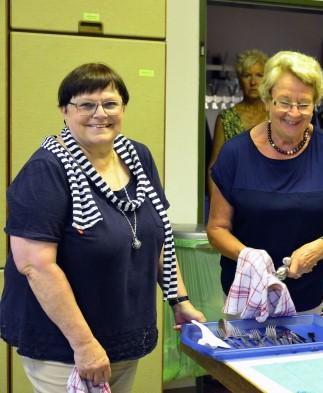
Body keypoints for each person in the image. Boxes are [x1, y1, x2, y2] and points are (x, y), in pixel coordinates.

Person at [0, 63, 206, 393]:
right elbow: (35, 266)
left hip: (122, 335)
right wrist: (84, 344)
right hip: (66, 346)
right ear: (64, 111)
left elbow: (158, 236)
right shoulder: (46, 170)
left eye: (110, 104)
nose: (100, 114)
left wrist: (179, 300)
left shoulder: (137, 156)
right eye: (86, 104)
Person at [207, 50, 323, 315]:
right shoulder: (235, 154)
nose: (294, 113)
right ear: (267, 101)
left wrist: (320, 248)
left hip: (309, 299)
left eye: (304, 104)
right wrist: (248, 256)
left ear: (316, 104)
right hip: (246, 300)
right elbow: (217, 229)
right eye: (284, 102)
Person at [207, 49, 268, 195]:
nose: (253, 82)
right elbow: (214, 168)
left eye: (259, 75)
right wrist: (216, 210)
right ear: (239, 80)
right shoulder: (226, 118)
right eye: (247, 75)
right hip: (235, 199)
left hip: (274, 197)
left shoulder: (277, 116)